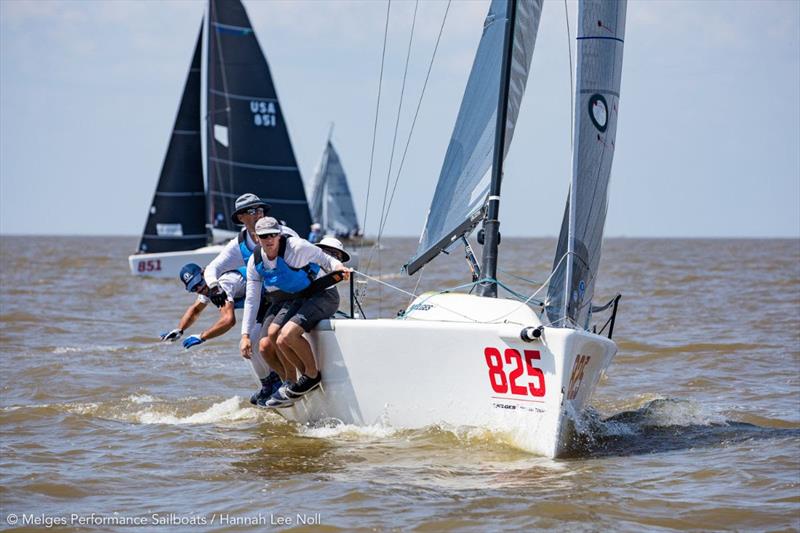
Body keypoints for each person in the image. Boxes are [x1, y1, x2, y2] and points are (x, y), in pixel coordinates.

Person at [239, 217, 350, 408]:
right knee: (275, 338)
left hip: (324, 296)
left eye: (273, 235)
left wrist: (339, 267)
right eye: (264, 236)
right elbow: (251, 299)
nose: (269, 240)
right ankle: (294, 383)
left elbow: (324, 258)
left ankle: (311, 377)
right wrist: (245, 335)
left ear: (280, 235)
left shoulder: (297, 247)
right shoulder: (255, 262)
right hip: (299, 298)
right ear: (257, 238)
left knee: (287, 335)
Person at [200, 193, 297, 403]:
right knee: (250, 342)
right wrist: (214, 287)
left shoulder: (284, 234)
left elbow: (311, 255)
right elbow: (212, 269)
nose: (258, 214)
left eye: (260, 210)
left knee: (270, 339)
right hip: (268, 300)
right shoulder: (238, 244)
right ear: (241, 218)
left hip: (296, 296)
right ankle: (270, 384)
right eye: (252, 211)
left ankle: (292, 380)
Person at [160, 263, 281, 403]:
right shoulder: (207, 289)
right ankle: (267, 386)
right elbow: (195, 310)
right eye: (194, 288)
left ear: (204, 273)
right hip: (259, 307)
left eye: (199, 283)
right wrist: (180, 329)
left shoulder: (222, 284)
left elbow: (229, 320)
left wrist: (202, 337)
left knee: (251, 345)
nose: (199, 289)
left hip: (272, 299)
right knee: (247, 347)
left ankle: (276, 383)